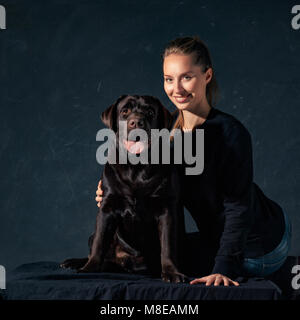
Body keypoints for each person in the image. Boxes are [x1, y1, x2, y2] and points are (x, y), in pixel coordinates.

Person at [95, 36, 292, 287]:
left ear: (207, 76)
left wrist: (223, 269)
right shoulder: (164, 132)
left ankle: (286, 269)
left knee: (175, 269)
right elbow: (144, 182)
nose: (176, 89)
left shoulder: (230, 133)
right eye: (169, 79)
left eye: (186, 77)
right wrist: (110, 191)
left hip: (261, 244)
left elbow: (238, 208)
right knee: (147, 261)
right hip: (216, 237)